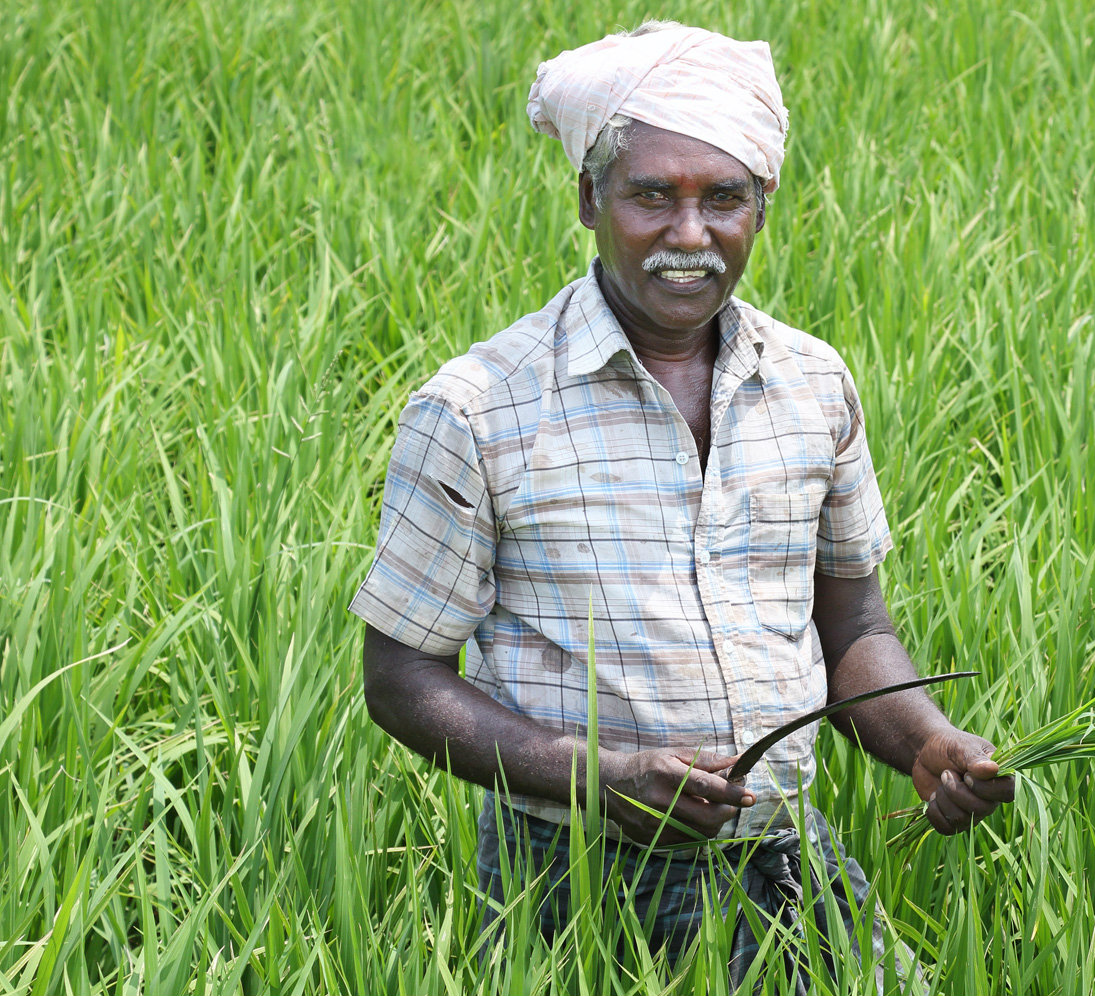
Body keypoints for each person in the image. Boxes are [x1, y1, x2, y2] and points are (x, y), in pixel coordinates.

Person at [348, 20, 1013, 986]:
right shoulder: (479, 409)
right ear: (589, 198)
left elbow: (851, 626)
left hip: (786, 866)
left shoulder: (811, 386)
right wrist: (601, 776)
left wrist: (925, 741)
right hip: (570, 880)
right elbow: (402, 678)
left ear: (762, 205)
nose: (689, 237)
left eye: (723, 200)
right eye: (652, 196)